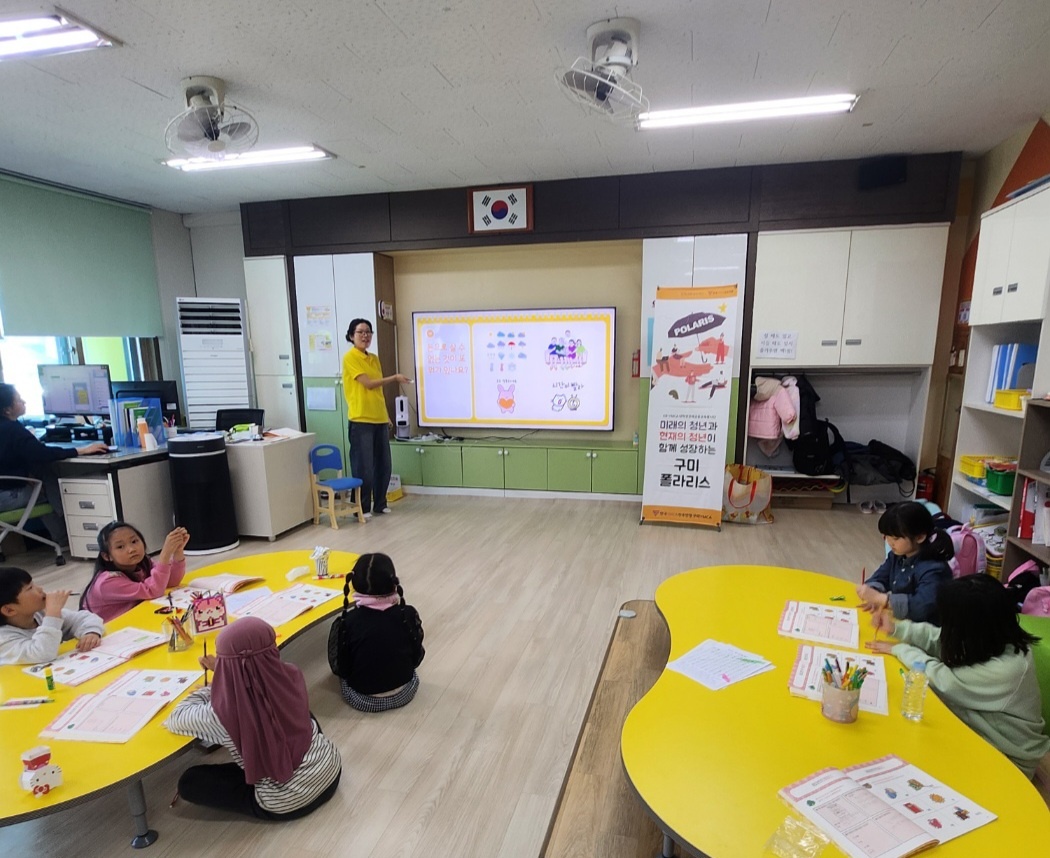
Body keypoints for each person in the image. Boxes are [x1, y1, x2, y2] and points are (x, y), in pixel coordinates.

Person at [866, 575, 1050, 778]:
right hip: (977, 729)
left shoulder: (1009, 669)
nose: (946, 628)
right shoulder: (989, 637)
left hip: (1007, 759)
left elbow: (943, 679)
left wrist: (900, 649)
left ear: (972, 628)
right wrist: (897, 629)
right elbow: (941, 639)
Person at [164, 617, 341, 819]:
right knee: (293, 714)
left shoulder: (221, 713)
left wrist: (216, 687)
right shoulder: (290, 675)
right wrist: (229, 674)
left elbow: (176, 718)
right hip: (330, 769)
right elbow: (257, 683)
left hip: (288, 800)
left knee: (190, 781)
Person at [0, 384, 107, 548]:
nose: (24, 402)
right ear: (7, 409)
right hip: (7, 497)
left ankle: (64, 538)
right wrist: (80, 450)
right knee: (45, 487)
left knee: (42, 475)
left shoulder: (10, 429)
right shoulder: (12, 429)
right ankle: (66, 539)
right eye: (19, 400)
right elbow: (42, 453)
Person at [334, 552, 424, 712]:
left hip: (363, 699)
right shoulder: (408, 613)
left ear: (354, 583)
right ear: (393, 583)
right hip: (406, 691)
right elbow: (417, 657)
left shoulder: (348, 621)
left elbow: (342, 667)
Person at [341, 319, 409, 518]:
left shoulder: (374, 358)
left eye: (368, 332)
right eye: (360, 332)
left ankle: (380, 503)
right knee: (363, 467)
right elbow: (369, 384)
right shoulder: (350, 357)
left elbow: (378, 392)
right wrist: (394, 378)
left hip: (378, 419)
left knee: (384, 465)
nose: (365, 336)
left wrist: (386, 415)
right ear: (351, 336)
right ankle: (361, 508)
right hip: (361, 419)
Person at [855, 501, 953, 624]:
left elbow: (922, 607)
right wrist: (872, 591)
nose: (890, 542)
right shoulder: (897, 556)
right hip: (905, 622)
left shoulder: (934, 568)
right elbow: (881, 577)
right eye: (886, 536)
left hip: (927, 629)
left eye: (895, 538)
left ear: (920, 537)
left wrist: (882, 599)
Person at [79, 522, 190, 621]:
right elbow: (153, 591)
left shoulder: (143, 563)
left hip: (132, 620)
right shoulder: (106, 582)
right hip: (107, 631)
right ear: (107, 556)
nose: (131, 549)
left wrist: (178, 550)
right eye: (120, 547)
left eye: (134, 541)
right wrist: (165, 554)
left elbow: (171, 581)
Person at [0, 566, 104, 664]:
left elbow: (84, 618)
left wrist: (91, 632)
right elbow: (43, 654)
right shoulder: (3, 639)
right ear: (9, 610)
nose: (40, 589)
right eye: (30, 588)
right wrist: (53, 614)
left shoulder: (40, 614)